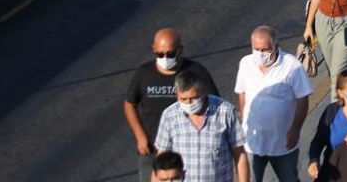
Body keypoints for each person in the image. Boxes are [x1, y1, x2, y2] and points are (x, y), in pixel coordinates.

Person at [126, 29, 221, 182]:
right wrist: (140, 136)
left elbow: (214, 105)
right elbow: (130, 104)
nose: (165, 58)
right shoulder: (143, 73)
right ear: (154, 50)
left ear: (180, 50)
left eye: (170, 54)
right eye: (160, 54)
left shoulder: (196, 72)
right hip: (152, 150)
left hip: (186, 150)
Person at [234, 26, 313, 182]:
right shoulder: (245, 63)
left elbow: (302, 99)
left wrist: (295, 130)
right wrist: (243, 122)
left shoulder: (292, 65)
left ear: (275, 46)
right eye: (256, 49)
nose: (260, 54)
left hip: (282, 143)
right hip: (253, 143)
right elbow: (242, 93)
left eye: (265, 49)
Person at [155, 68, 248, 182]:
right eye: (183, 99)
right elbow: (161, 161)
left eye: (193, 98)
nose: (188, 103)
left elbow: (239, 154)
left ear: (203, 93)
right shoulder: (169, 116)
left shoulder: (225, 112)